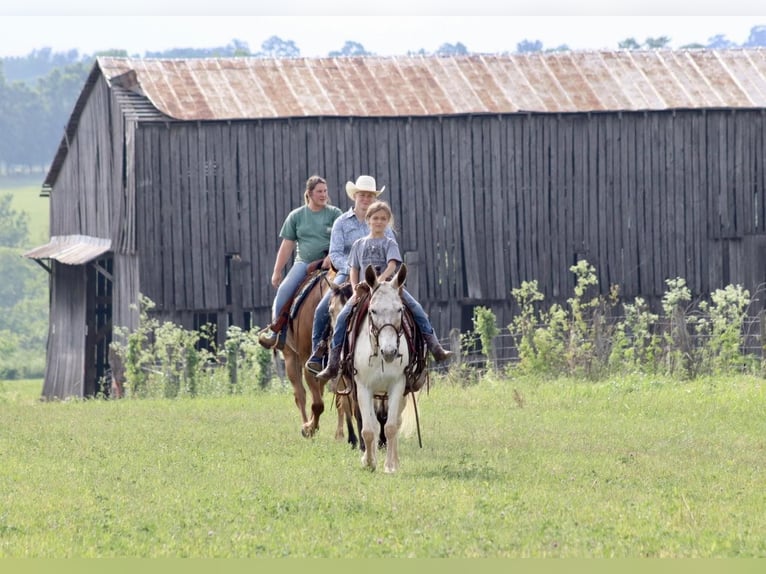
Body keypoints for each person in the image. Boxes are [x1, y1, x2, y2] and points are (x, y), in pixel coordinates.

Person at [315, 200, 451, 382]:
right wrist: (355, 287)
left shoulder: (389, 243)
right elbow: (354, 268)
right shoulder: (358, 244)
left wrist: (379, 281)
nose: (379, 222)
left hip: (388, 289)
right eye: (375, 218)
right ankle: (333, 363)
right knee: (340, 318)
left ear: (387, 222)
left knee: (416, 308)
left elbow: (392, 265)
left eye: (383, 219)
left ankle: (434, 347)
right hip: (364, 289)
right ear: (368, 220)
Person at [304, 175, 395, 374]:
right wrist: (353, 268)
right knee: (322, 309)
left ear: (374, 198)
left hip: (380, 278)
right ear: (355, 196)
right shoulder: (341, 223)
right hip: (347, 273)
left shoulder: (382, 223)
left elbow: (392, 254)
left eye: (370, 195)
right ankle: (319, 353)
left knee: (405, 307)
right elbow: (335, 253)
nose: (366, 199)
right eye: (362, 195)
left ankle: (422, 349)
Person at [258, 175, 342, 349]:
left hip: (332, 264)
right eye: (319, 191)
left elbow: (341, 238)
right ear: (309, 193)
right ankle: (277, 332)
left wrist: (332, 255)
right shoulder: (296, 216)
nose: (323, 194)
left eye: (325, 191)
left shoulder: (335, 214)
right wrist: (277, 271)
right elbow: (287, 245)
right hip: (305, 264)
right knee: (283, 291)